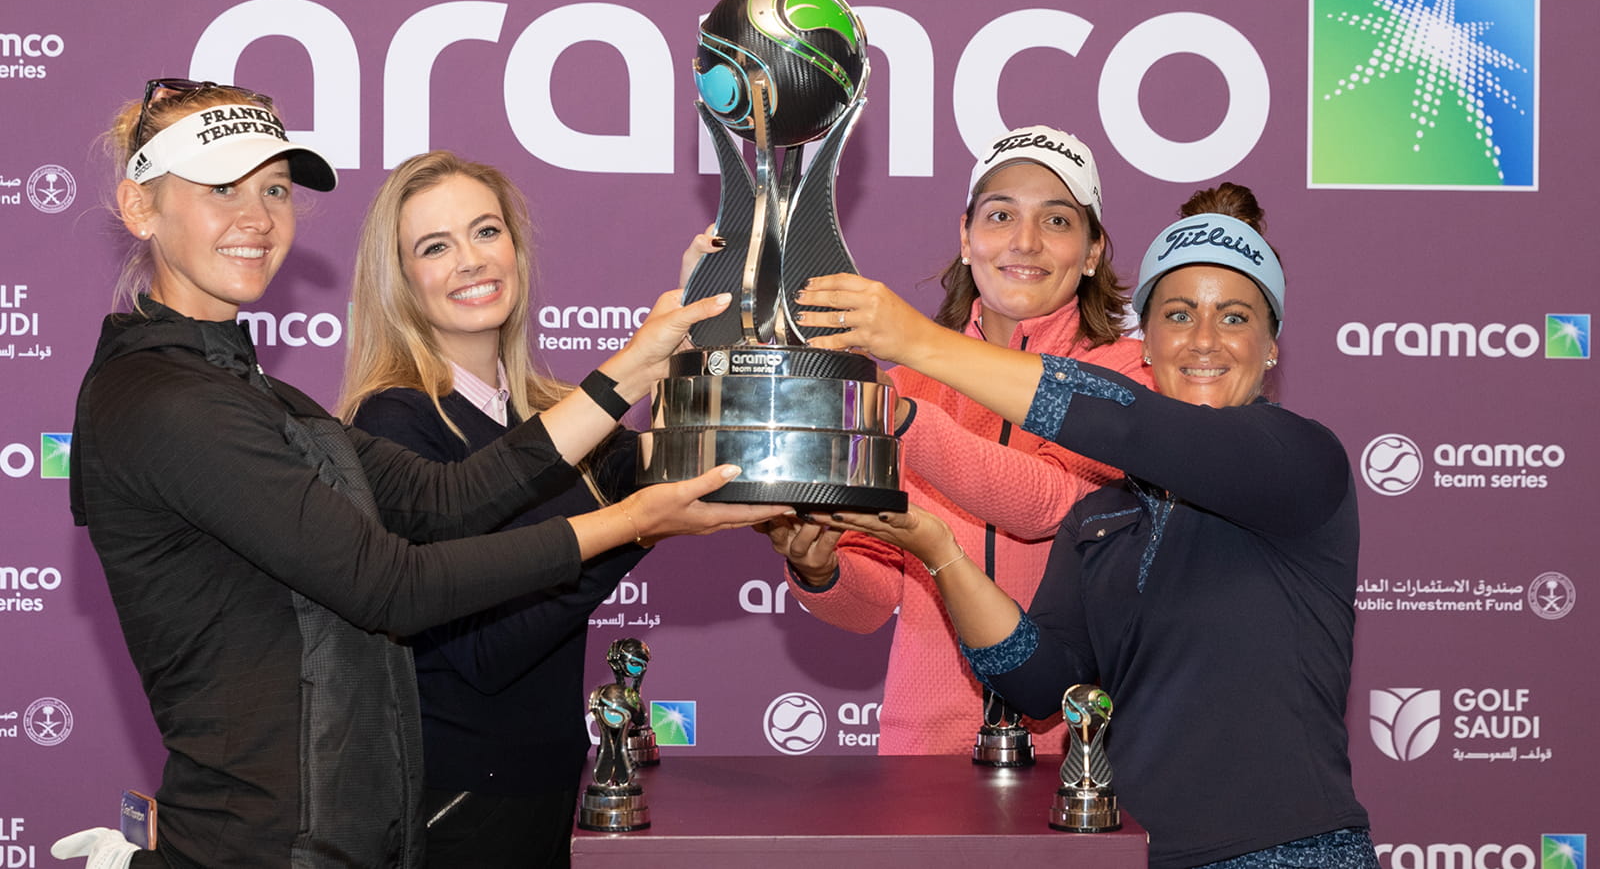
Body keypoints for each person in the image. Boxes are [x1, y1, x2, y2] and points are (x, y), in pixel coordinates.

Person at [59, 80, 781, 869]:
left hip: (349, 841)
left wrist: (644, 361)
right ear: (139, 207)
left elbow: (445, 500)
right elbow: (392, 585)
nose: (257, 218)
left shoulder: (257, 394)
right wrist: (635, 521)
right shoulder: (163, 400)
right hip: (260, 850)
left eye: (275, 188)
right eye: (221, 187)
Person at [789, 184, 1378, 868]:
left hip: (1288, 852)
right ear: (1146, 345)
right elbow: (1042, 684)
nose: (1206, 341)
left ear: (1272, 344)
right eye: (1180, 315)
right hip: (1131, 854)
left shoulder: (1301, 462)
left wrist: (916, 344)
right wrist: (940, 551)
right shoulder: (1101, 516)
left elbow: (1128, 420)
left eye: (1237, 317)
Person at [764, 126, 1149, 755]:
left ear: (1092, 252)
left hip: (1077, 755)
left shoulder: (1126, 371)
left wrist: (907, 418)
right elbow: (873, 602)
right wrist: (820, 567)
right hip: (923, 753)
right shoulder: (907, 385)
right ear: (965, 238)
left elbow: (1046, 503)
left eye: (1057, 220)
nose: (1025, 242)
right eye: (1001, 216)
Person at [335, 150, 644, 867]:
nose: (471, 261)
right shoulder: (391, 424)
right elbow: (482, 651)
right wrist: (640, 526)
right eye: (435, 247)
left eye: (486, 232)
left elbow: (671, 463)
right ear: (402, 280)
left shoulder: (548, 413)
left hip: (549, 790)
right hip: (460, 803)